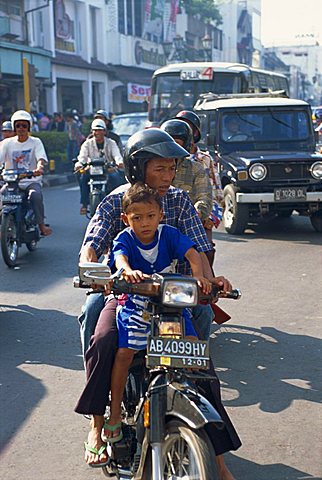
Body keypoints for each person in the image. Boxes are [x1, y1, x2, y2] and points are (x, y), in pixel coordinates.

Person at [75, 128, 240, 479]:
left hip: (174, 298)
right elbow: (93, 244)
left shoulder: (179, 201)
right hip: (125, 295)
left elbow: (199, 251)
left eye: (171, 169)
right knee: (99, 329)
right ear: (138, 169)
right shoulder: (116, 201)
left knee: (202, 357)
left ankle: (218, 455)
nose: (168, 177)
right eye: (160, 169)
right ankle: (98, 422)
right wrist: (91, 270)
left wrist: (209, 281)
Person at [102, 182, 212, 443]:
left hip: (171, 304)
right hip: (135, 305)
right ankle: (115, 411)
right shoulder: (125, 238)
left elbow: (193, 254)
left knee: (194, 349)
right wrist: (126, 270)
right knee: (124, 354)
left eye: (151, 216)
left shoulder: (170, 234)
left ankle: (187, 397)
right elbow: (119, 258)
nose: (145, 223)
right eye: (137, 217)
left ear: (160, 215)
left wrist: (198, 278)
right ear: (125, 218)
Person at [0, 110, 52, 236]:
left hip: (30, 181)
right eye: (18, 126)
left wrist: (39, 168)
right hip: (12, 182)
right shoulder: (6, 143)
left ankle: (41, 225)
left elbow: (41, 158)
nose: (21, 128)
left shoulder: (36, 142)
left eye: (24, 125)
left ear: (29, 127)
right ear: (14, 127)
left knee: (36, 196)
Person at [74, 118, 125, 215]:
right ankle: (84, 204)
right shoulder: (87, 144)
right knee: (83, 178)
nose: (97, 133)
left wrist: (119, 162)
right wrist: (79, 165)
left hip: (108, 169)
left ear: (104, 131)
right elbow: (82, 157)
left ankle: (118, 203)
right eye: (95, 130)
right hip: (92, 169)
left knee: (117, 178)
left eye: (99, 130)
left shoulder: (111, 143)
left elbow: (117, 155)